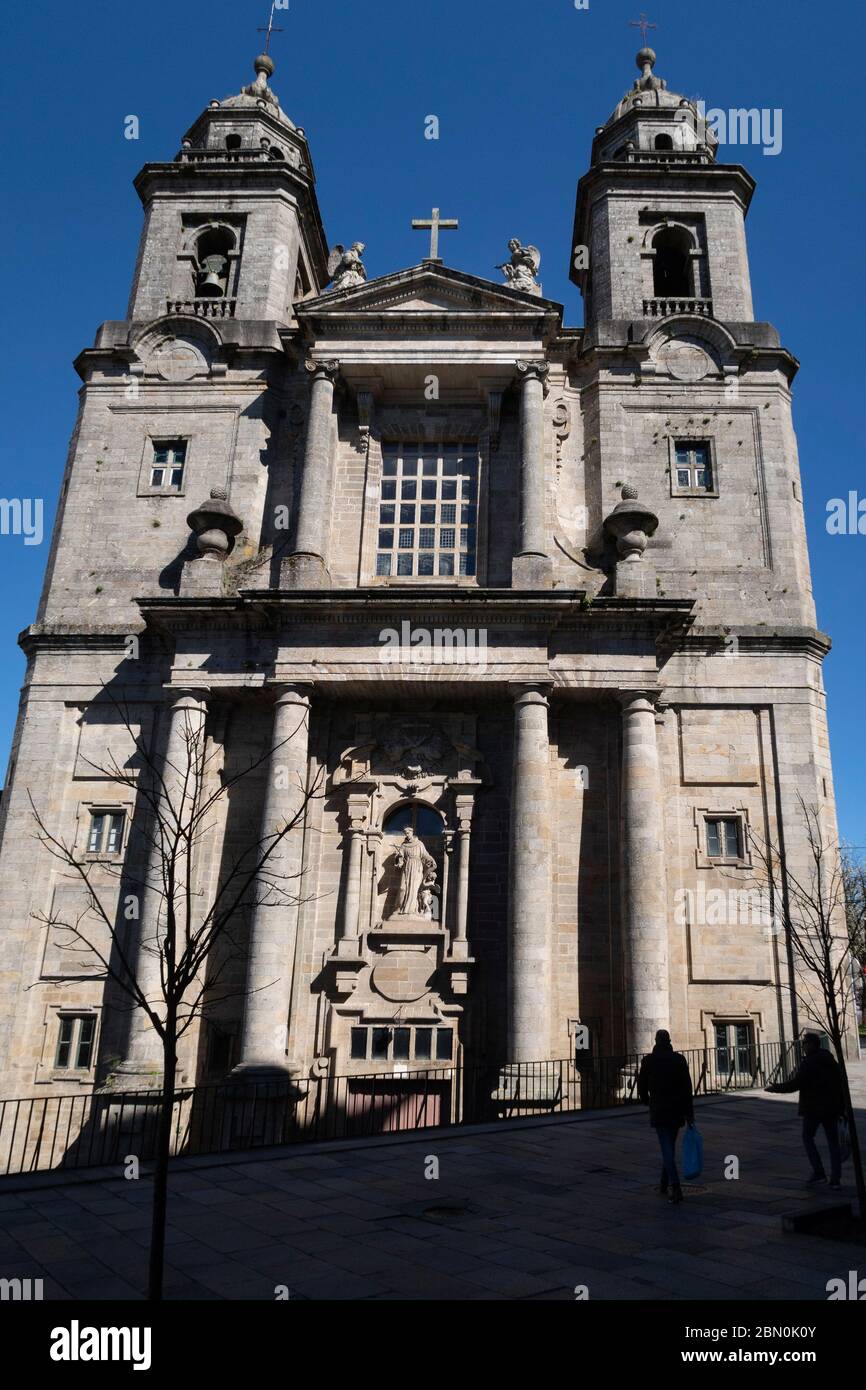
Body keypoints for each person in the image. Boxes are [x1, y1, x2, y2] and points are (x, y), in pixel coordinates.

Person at [765, 1033, 844, 1189]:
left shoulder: (809, 1063)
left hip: (813, 1108)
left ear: (813, 1044)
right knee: (833, 1143)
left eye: (805, 1043)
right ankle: (835, 1179)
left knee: (808, 1137)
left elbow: (796, 1084)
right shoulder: (830, 1059)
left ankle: (819, 1172)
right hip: (831, 1108)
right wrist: (841, 1106)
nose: (803, 1047)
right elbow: (840, 1082)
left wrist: (776, 1088)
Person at [637, 1029, 695, 1205]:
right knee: (669, 1145)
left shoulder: (649, 1061)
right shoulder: (679, 1060)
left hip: (659, 1110)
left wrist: (647, 1101)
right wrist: (689, 1114)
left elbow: (641, 1086)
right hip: (677, 1110)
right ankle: (663, 1183)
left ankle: (675, 1186)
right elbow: (687, 1088)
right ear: (669, 1041)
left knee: (666, 1148)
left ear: (656, 1041)